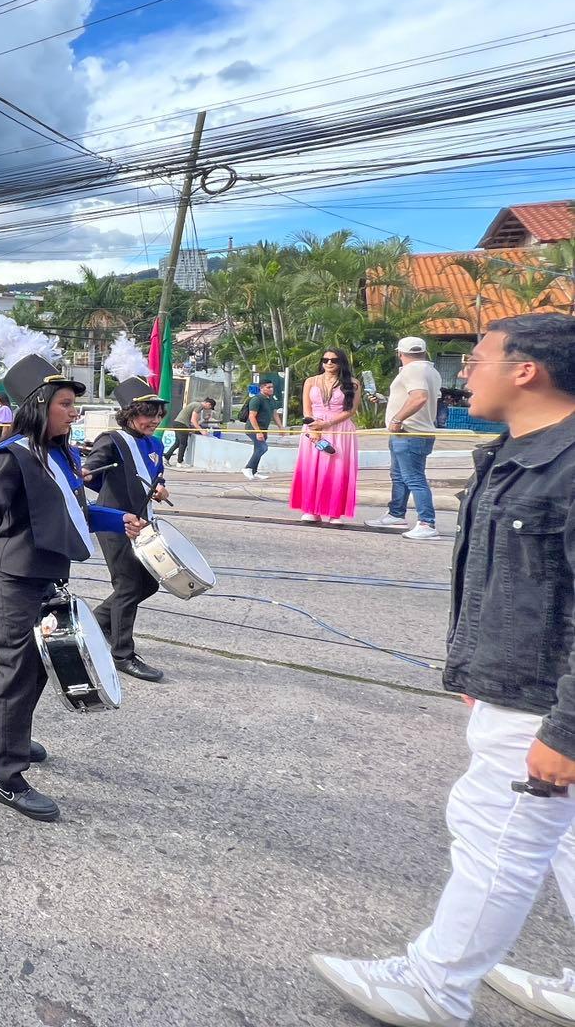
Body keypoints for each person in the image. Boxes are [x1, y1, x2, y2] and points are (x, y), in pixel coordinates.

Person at [311, 314, 575, 1027]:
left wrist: (565, 728)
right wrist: (474, 666)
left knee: (498, 839)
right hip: (514, 682)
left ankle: (435, 987)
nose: (463, 373)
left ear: (527, 371)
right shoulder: (512, 453)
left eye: (480, 359)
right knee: (563, 842)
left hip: (543, 703)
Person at [0, 357, 144, 824]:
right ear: (40, 405)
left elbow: (77, 513)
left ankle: (0, 735)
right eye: (66, 404)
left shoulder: (65, 455)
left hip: (48, 573)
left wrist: (119, 518)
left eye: (74, 404)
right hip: (13, 578)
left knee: (40, 667)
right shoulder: (11, 457)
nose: (74, 412)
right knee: (19, 668)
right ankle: (5, 776)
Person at [85, 379, 171, 683]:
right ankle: (122, 655)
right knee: (128, 586)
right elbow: (91, 470)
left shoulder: (155, 443)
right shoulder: (112, 440)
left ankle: (102, 618)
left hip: (144, 522)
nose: (155, 420)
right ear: (131, 413)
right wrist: (84, 471)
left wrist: (160, 487)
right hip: (116, 522)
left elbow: (156, 475)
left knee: (150, 584)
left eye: (159, 414)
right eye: (149, 414)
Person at [367, 336, 443, 540]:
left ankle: (427, 522)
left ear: (399, 353)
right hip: (418, 432)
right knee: (400, 476)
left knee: (414, 478)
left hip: (409, 432)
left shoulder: (413, 370)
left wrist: (397, 418)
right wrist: (386, 400)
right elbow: (418, 398)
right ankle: (396, 514)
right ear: (424, 352)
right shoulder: (431, 371)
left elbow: (419, 397)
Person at [290, 347, 360, 524]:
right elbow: (307, 407)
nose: (329, 363)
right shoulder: (311, 381)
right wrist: (313, 427)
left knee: (337, 470)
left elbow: (351, 410)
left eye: (334, 360)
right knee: (312, 468)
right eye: (326, 359)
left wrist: (327, 424)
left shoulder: (352, 383)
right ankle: (311, 509)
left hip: (339, 429)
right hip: (313, 427)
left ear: (341, 362)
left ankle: (335, 512)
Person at [242, 383, 278, 480]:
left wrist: (281, 427)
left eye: (272, 387)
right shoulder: (257, 399)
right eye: (268, 387)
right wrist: (258, 432)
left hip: (264, 428)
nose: (271, 389)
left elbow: (275, 414)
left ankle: (254, 471)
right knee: (263, 448)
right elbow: (252, 416)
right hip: (253, 429)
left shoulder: (271, 400)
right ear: (261, 388)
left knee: (258, 449)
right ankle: (248, 468)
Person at [166, 396, 214, 467]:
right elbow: (193, 421)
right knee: (183, 443)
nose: (208, 409)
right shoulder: (199, 406)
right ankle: (180, 462)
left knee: (177, 443)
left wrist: (204, 420)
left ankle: (166, 457)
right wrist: (202, 431)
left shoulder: (195, 404)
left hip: (178, 423)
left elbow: (194, 422)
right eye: (210, 407)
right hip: (182, 424)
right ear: (208, 404)